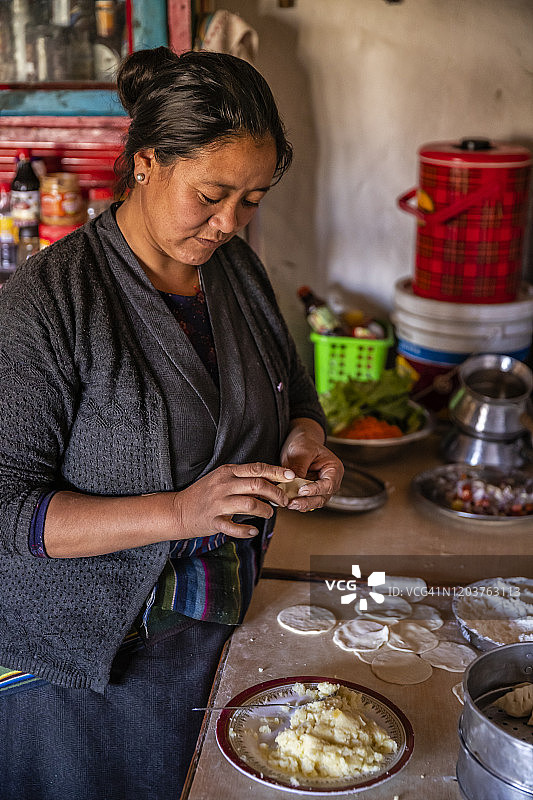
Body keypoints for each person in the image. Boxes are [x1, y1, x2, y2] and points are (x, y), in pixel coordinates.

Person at [0, 46, 343, 799]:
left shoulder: (238, 274)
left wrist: (304, 442)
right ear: (147, 162)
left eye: (251, 199)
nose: (228, 223)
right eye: (212, 194)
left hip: (217, 624)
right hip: (87, 666)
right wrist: (181, 511)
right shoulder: (51, 301)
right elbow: (7, 511)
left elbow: (294, 395)